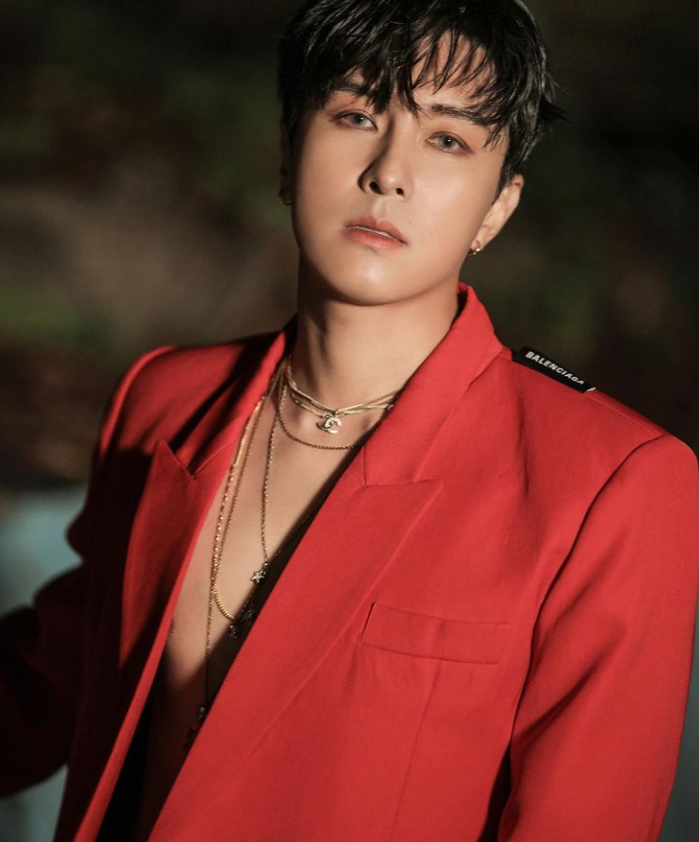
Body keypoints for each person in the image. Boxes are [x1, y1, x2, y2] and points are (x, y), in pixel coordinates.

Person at [1, 1, 698, 840]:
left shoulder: (609, 481)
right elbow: (46, 684)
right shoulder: (167, 402)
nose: (388, 173)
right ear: (288, 152)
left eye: (447, 139)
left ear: (497, 208)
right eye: (357, 116)